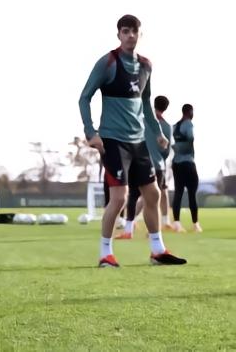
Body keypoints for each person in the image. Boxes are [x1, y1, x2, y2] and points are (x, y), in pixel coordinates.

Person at [78, 14, 186, 267]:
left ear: (140, 34)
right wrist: (91, 132)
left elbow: (146, 103)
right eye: (125, 31)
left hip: (139, 142)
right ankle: (105, 253)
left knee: (153, 193)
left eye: (134, 31)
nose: (130, 36)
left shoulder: (146, 65)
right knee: (119, 198)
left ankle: (157, 251)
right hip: (113, 140)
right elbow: (84, 97)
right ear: (119, 34)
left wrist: (157, 133)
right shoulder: (108, 63)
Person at [117, 95, 173, 239]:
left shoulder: (141, 120)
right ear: (166, 108)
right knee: (154, 199)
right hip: (158, 166)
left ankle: (128, 230)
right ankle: (154, 231)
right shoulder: (167, 127)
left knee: (133, 196)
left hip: (138, 163)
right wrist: (159, 157)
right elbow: (166, 151)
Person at [172, 104, 201, 232]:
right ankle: (195, 224)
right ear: (189, 112)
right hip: (188, 163)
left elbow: (172, 143)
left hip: (176, 163)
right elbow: (191, 137)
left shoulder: (175, 126)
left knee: (178, 193)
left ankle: (177, 223)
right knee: (192, 194)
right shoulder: (188, 124)